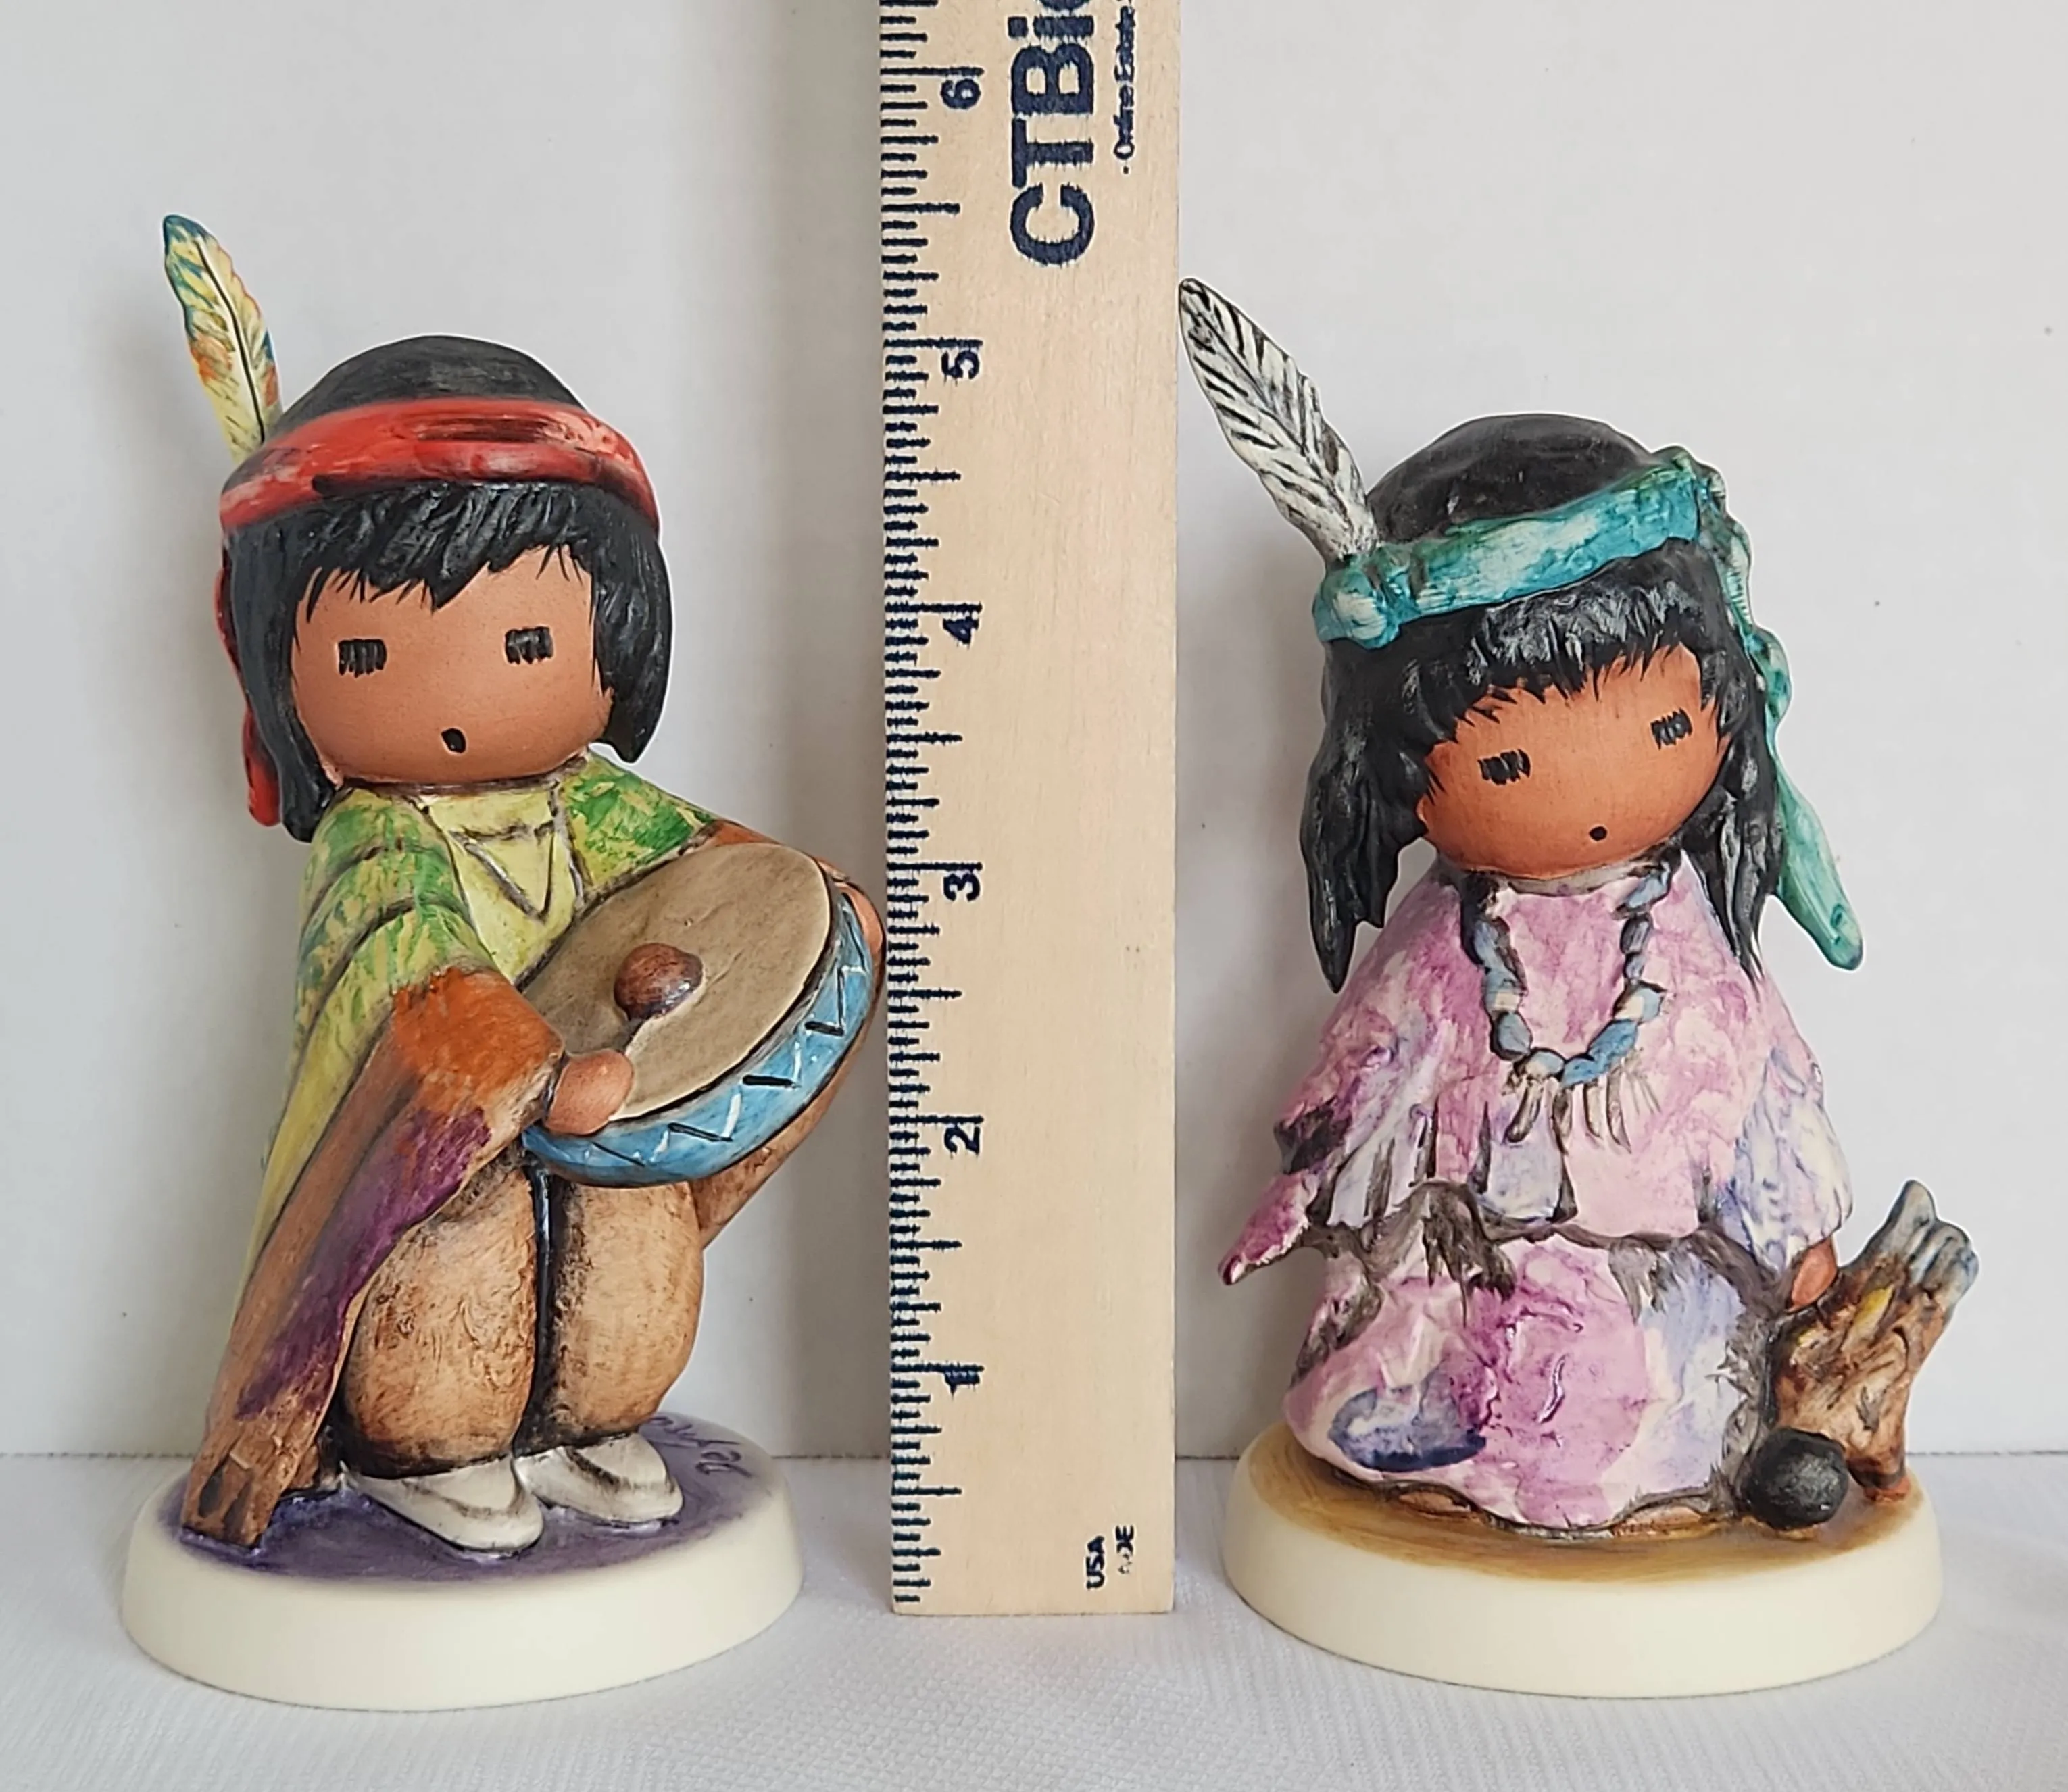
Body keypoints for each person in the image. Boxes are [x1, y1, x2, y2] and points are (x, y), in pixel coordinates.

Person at [1182, 281, 1975, 1533]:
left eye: (1663, 730)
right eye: (1507, 764)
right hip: (1465, 1290)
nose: (1594, 799)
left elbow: (1753, 1099)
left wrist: (1800, 1250)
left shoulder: (1693, 957)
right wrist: (1312, 1187)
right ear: (1396, 774)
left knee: (1656, 1398)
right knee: (1432, 1367)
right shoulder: (1444, 956)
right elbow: (1376, 1078)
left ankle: (1648, 1477)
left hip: (1659, 1318)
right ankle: (1451, 1465)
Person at [178, 332, 879, 1552]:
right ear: (290, 693)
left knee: (632, 1215)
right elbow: (414, 970)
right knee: (463, 1224)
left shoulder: (594, 807)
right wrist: (539, 1074)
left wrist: (804, 921)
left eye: (524, 646)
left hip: (600, 1119)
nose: (458, 705)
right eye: (366, 656)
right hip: (463, 1153)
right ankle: (429, 1447)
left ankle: (588, 1420)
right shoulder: (377, 840)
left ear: (616, 649)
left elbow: (722, 881)